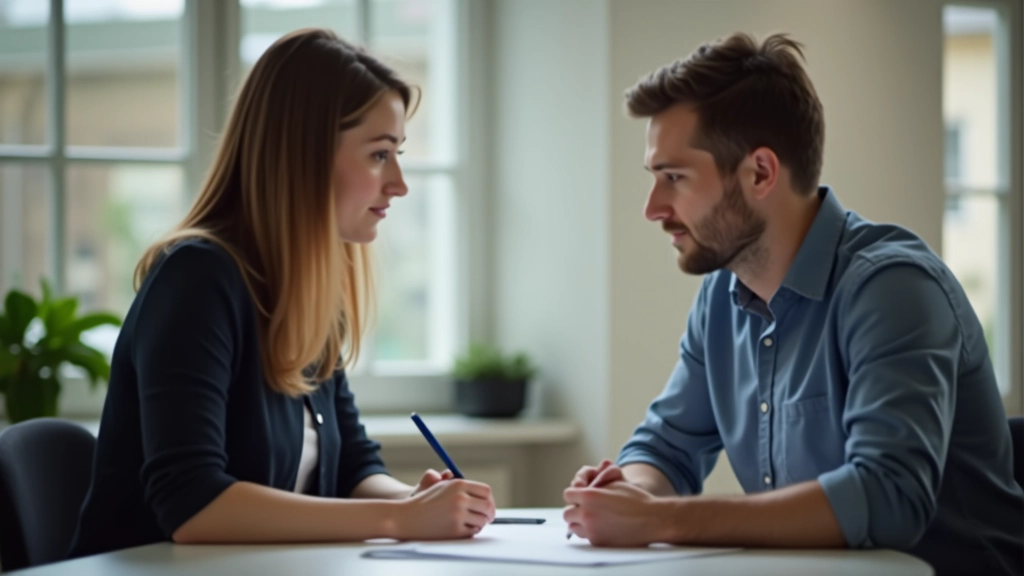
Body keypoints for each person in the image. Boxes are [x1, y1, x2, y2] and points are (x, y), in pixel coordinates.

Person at [563, 32, 1023, 576]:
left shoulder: (893, 289)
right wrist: (626, 493)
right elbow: (666, 447)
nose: (653, 207)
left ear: (760, 172)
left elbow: (889, 496)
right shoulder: (723, 294)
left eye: (674, 178)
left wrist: (662, 521)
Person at [69, 28, 495, 558]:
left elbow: (354, 467)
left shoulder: (307, 288)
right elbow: (192, 503)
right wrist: (398, 516)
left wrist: (415, 500)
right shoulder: (197, 282)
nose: (400, 183)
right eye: (380, 155)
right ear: (305, 156)